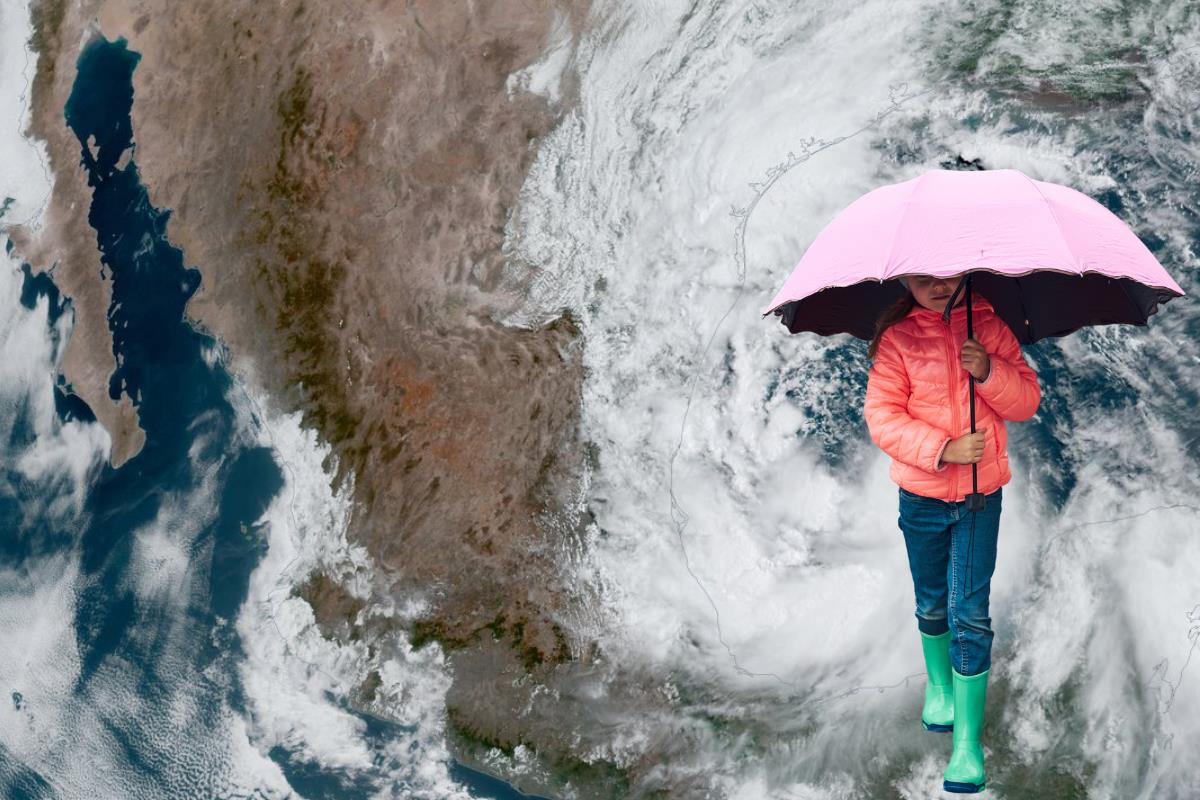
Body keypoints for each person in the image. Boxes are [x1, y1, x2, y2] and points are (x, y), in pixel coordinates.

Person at [863, 272, 1041, 794]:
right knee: (933, 602)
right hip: (921, 497)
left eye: (946, 276)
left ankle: (966, 744)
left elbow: (1026, 401)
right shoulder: (897, 338)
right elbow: (882, 417)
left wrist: (988, 372)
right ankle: (939, 688)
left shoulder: (990, 326)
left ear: (965, 272)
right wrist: (942, 447)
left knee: (970, 614)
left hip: (979, 500)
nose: (938, 286)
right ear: (904, 280)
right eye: (924, 279)